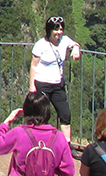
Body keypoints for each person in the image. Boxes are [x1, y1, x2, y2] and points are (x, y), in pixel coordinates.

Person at [29, 15, 81, 143]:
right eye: (56, 29)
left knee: (65, 114)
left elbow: (74, 43)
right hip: (42, 83)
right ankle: (39, 141)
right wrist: (32, 85)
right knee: (42, 115)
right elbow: (33, 66)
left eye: (61, 29)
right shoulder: (40, 45)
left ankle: (66, 144)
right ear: (49, 30)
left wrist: (76, 48)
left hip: (58, 84)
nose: (59, 32)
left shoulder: (64, 40)